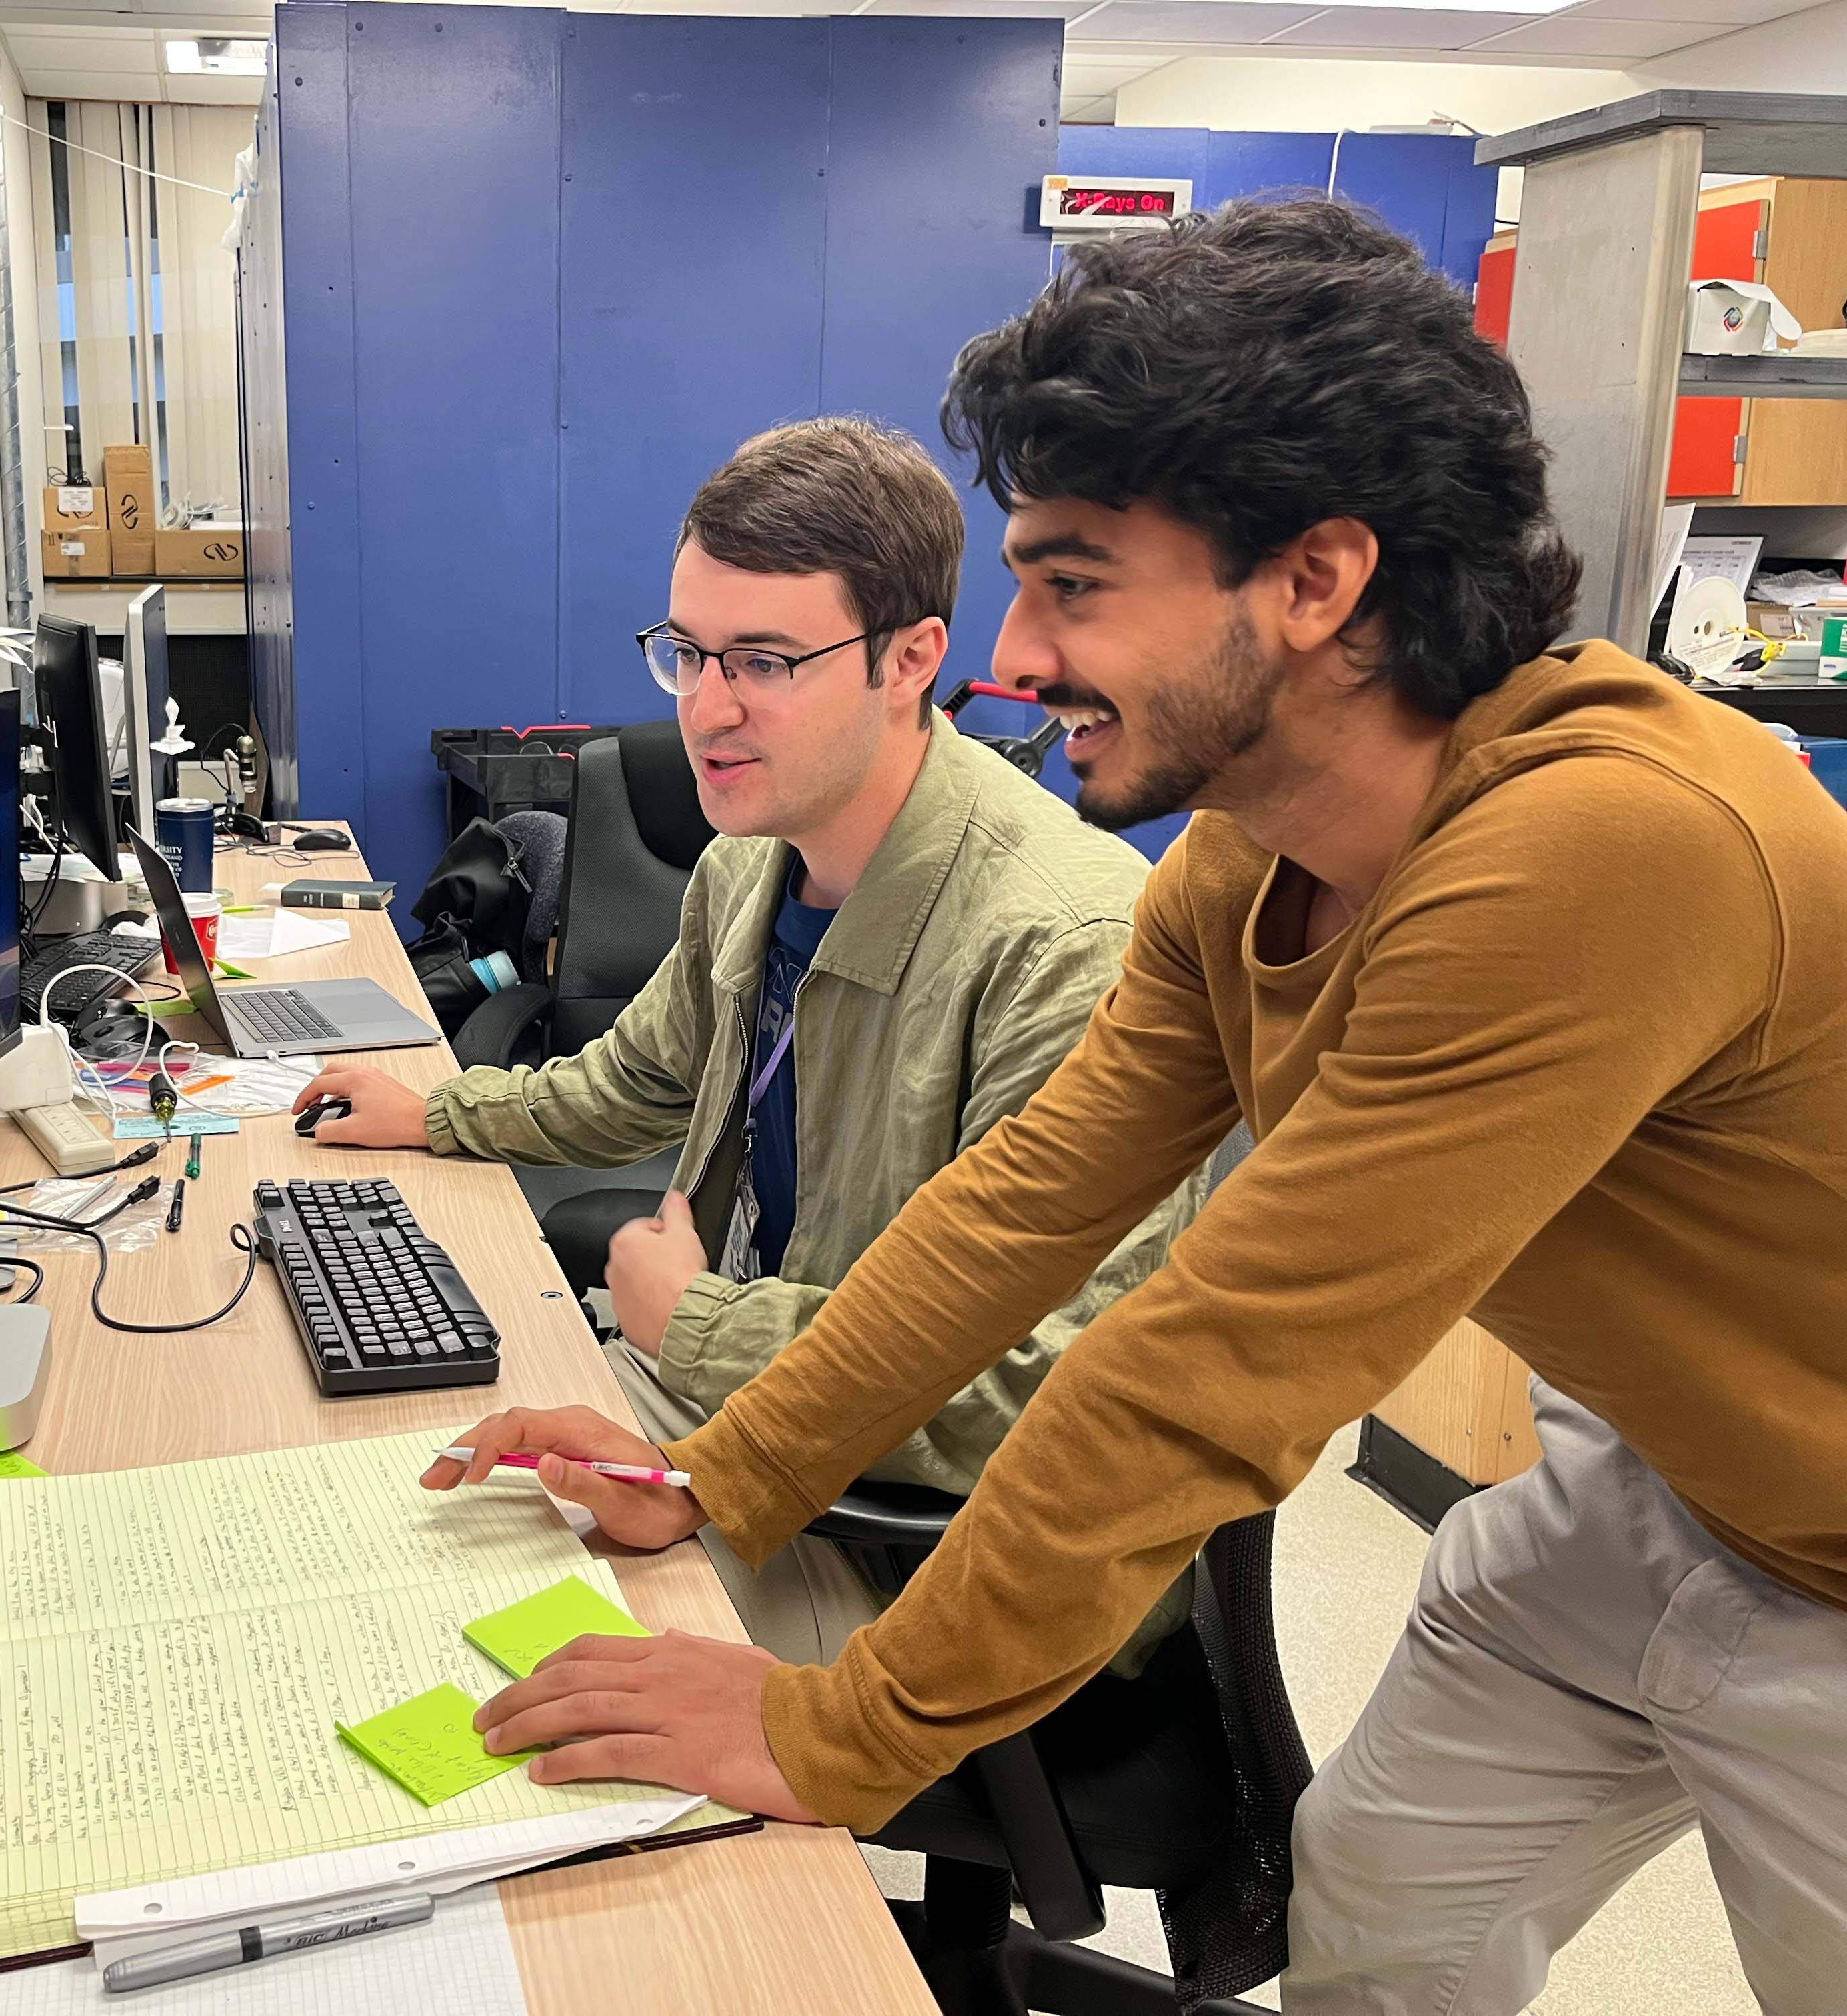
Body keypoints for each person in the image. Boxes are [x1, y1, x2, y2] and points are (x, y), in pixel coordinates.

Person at [428, 198, 1847, 2014]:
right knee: (1379, 1924)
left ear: (1317, 582)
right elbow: (1018, 1211)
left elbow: (1208, 1372)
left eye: (1076, 586)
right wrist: (722, 1475)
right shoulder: (1251, 855)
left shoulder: (1602, 846)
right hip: (1659, 1476)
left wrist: (837, 1732)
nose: (1013, 658)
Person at [297, 415, 1202, 1667]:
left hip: (924, 1550)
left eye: (767, 662)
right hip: (735, 1427)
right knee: (368, 1544)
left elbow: (1042, 1396)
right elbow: (638, 1080)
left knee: (455, 1674)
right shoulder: (750, 862)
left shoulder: (1067, 942)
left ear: (910, 659)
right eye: (689, 653)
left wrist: (697, 1323)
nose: (706, 711)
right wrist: (438, 1112)